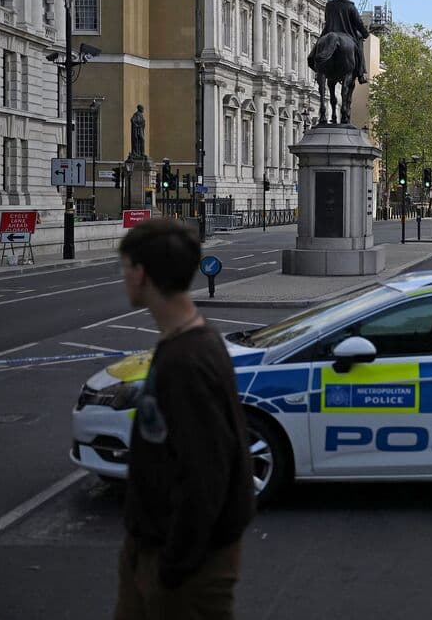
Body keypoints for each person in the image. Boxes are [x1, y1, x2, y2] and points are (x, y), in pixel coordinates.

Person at [114, 219, 254, 619]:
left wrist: (172, 566)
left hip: (182, 567)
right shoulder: (190, 339)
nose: (123, 277)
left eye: (125, 267)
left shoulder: (186, 363)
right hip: (154, 550)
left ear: (141, 273)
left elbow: (206, 475)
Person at [321, 0, 369, 83]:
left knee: (319, 45)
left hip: (329, 31)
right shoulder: (350, 6)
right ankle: (361, 73)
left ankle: (316, 66)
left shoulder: (329, 5)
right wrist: (365, 33)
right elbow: (358, 23)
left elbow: (327, 19)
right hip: (347, 33)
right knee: (359, 44)